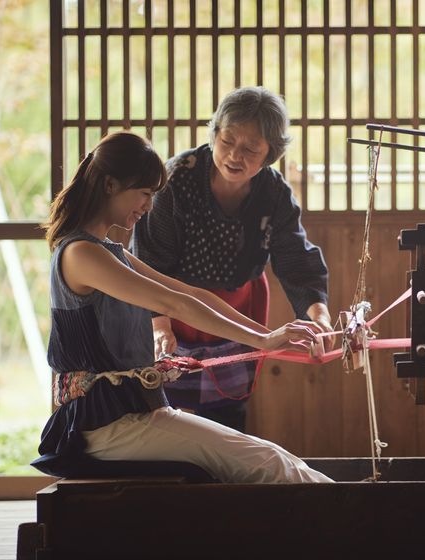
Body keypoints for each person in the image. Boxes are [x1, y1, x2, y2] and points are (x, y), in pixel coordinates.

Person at [32, 131, 332, 483]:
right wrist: (264, 341)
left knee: (277, 459)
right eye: (143, 194)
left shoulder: (110, 252)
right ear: (110, 185)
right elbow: (173, 303)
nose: (147, 206)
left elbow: (193, 293)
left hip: (132, 417)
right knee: (270, 465)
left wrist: (268, 336)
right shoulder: (81, 253)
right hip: (105, 426)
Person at [133, 86, 333, 432]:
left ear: (270, 153)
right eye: (227, 141)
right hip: (172, 305)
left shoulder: (274, 193)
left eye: (251, 149)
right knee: (163, 414)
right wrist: (159, 324)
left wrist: (320, 318)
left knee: (227, 417)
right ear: (214, 135)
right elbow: (151, 256)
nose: (234, 156)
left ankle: (221, 484)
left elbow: (296, 260)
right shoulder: (176, 180)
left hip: (239, 310)